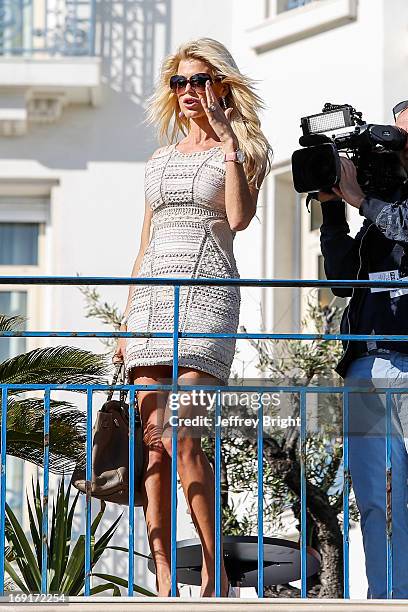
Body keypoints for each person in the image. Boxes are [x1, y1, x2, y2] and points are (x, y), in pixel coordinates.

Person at [113, 38, 273, 597]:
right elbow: (145, 241)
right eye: (179, 82)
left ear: (221, 86)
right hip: (152, 301)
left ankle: (214, 571)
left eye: (199, 81)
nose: (187, 92)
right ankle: (160, 572)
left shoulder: (245, 150)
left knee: (186, 436)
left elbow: (239, 217)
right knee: (153, 440)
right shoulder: (160, 158)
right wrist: (127, 317)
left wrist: (227, 141)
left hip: (207, 297)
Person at [318, 103, 408, 598]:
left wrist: (359, 197)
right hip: (366, 361)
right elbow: (341, 280)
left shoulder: (385, 206)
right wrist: (333, 207)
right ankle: (383, 597)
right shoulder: (380, 202)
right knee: (373, 496)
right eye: (397, 137)